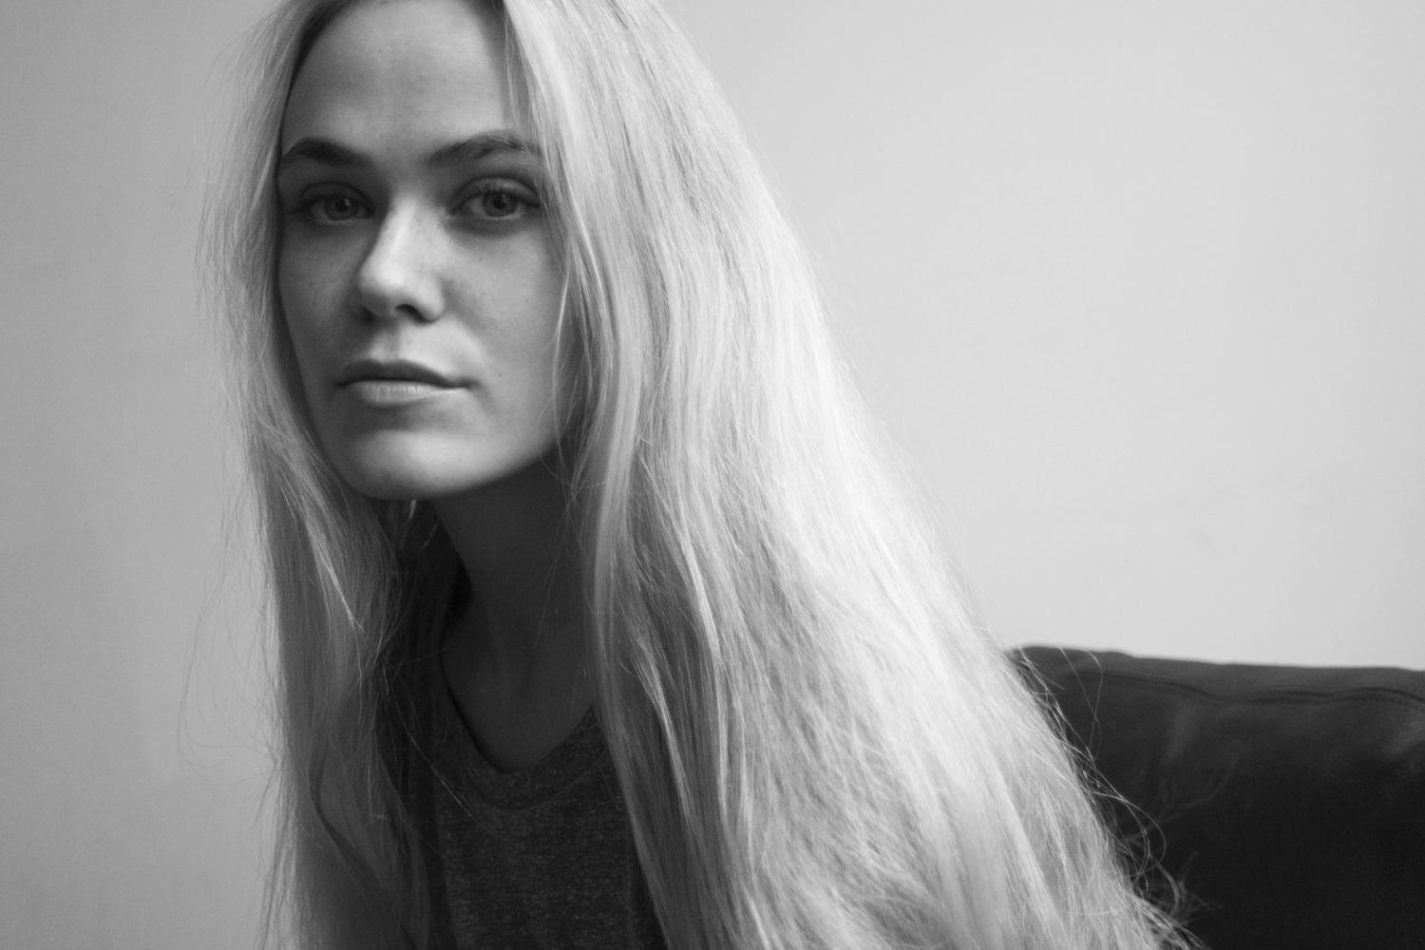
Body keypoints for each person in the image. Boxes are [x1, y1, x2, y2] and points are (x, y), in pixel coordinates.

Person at [208, 0, 1190, 947]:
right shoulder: (399, 703)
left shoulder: (808, 714)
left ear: (656, 248)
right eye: (333, 203)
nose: (383, 275)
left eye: (496, 198)